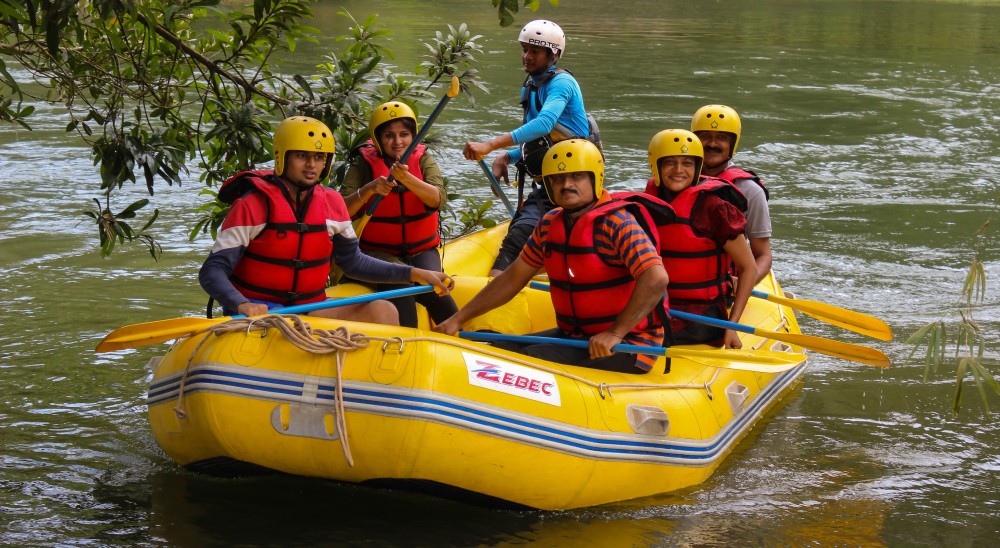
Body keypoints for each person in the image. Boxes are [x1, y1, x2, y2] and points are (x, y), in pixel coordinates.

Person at [436, 139, 669, 373]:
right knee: (497, 347)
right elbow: (512, 278)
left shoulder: (618, 224)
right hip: (575, 336)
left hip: (629, 343)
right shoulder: (549, 224)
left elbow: (656, 278)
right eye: (557, 179)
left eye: (576, 176)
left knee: (521, 362)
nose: (566, 184)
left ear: (595, 178)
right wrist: (458, 318)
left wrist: (614, 333)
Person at [199, 115, 453, 324]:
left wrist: (416, 273)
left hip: (311, 308)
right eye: (301, 156)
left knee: (383, 311)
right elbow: (213, 270)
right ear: (282, 157)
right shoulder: (252, 204)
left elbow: (354, 262)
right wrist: (240, 303)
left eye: (319, 158)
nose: (311, 165)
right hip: (262, 311)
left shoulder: (332, 203)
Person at [461, 19, 599, 277]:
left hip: (573, 180)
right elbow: (536, 141)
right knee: (515, 241)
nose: (527, 56)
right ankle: (494, 294)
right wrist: (507, 156)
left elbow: (545, 124)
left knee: (522, 238)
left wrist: (491, 145)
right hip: (548, 182)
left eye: (534, 51)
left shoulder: (562, 84)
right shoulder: (532, 84)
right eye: (524, 50)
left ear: (553, 54)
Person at [338, 101, 459, 328]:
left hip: (420, 248)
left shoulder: (422, 159)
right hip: (377, 251)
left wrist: (407, 179)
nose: (397, 142)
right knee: (400, 285)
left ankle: (462, 338)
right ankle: (409, 344)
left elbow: (437, 199)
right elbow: (341, 211)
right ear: (377, 139)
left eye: (404, 134)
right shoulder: (363, 165)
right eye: (389, 136)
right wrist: (369, 190)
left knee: (437, 290)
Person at [644, 129, 758, 349]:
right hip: (659, 304)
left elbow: (748, 268)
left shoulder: (715, 210)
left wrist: (732, 326)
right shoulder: (647, 202)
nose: (678, 170)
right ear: (655, 166)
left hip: (703, 314)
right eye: (670, 162)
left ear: (697, 167)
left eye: (687, 163)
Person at [691, 104, 772, 286]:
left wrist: (744, 282)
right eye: (705, 136)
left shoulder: (750, 190)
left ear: (732, 144)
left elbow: (763, 255)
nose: (712, 144)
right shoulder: (675, 181)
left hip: (725, 282)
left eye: (721, 138)